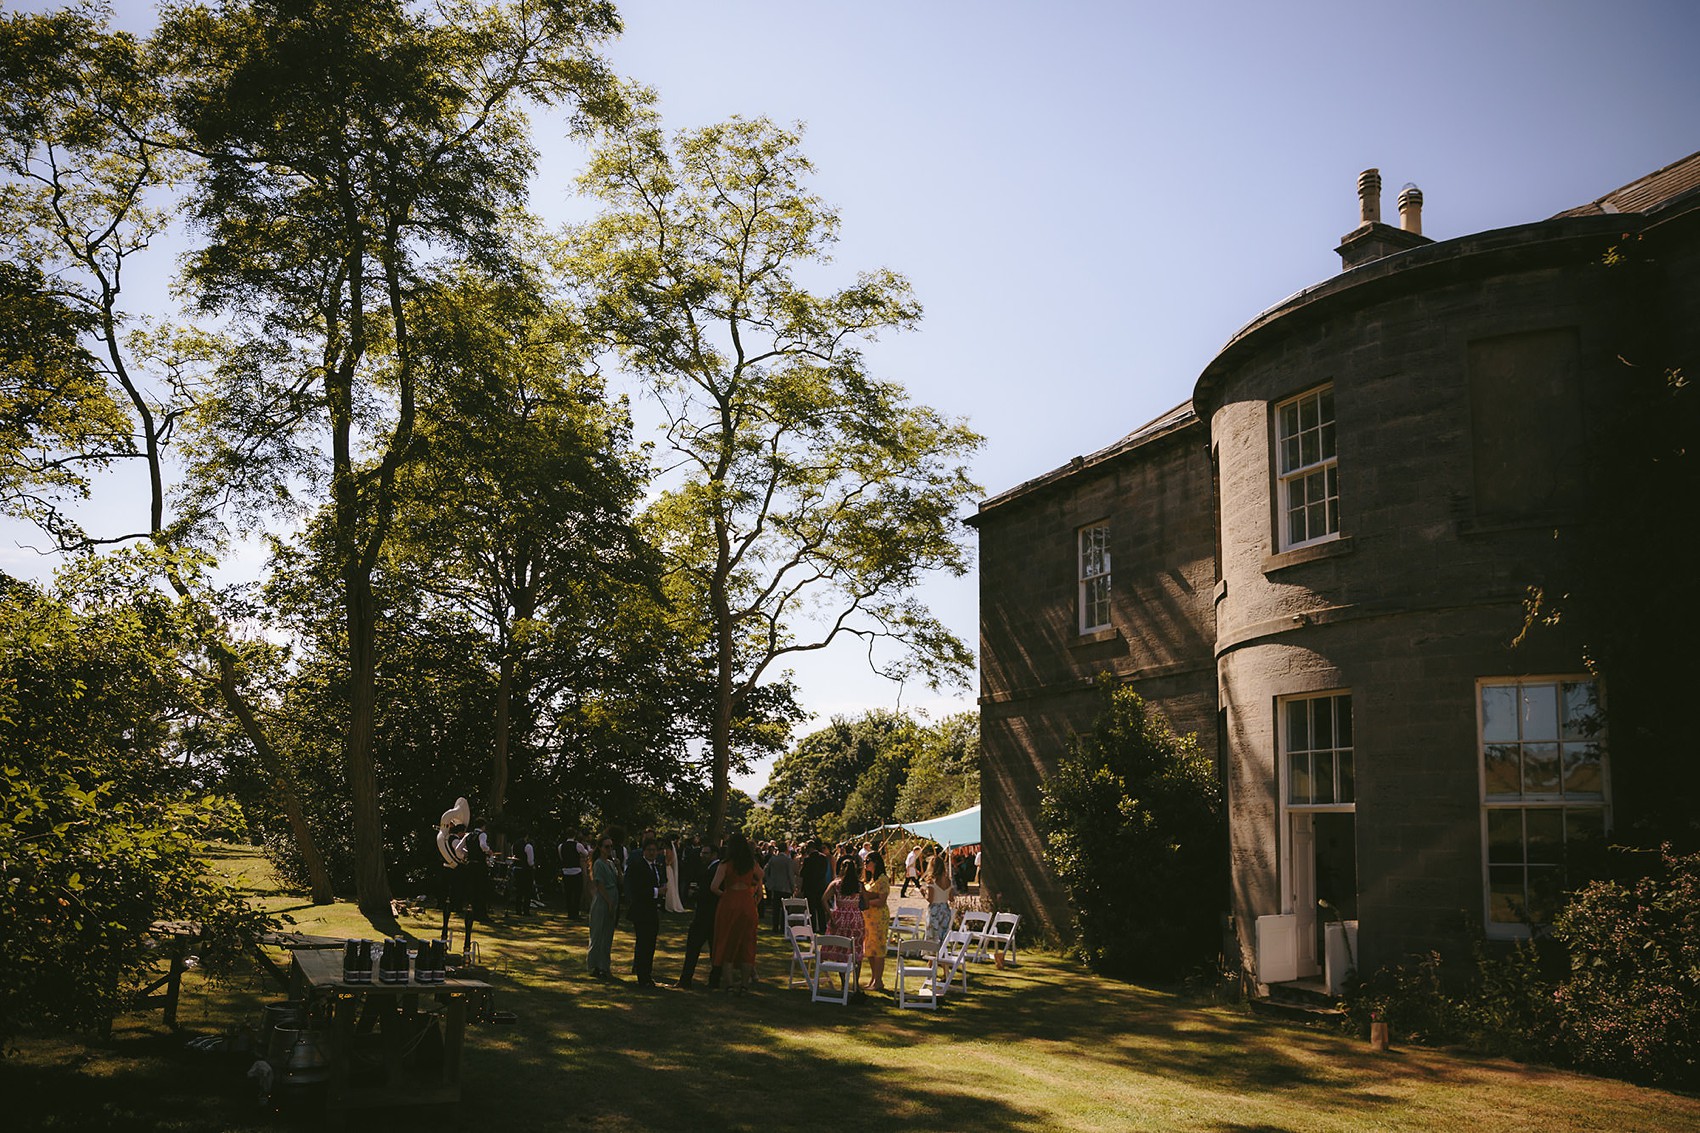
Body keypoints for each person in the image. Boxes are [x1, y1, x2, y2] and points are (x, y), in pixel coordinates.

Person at [711, 832, 764, 994]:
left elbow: (713, 887)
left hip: (730, 902)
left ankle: (729, 984)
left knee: (727, 941)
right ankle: (744, 985)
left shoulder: (725, 864)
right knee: (748, 942)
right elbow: (761, 876)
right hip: (747, 902)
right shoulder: (751, 863)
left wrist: (725, 895)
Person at [679, 841, 723, 990]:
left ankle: (686, 980)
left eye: (705, 853)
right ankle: (714, 981)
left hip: (705, 915)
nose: (702, 856)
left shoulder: (715, 869)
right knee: (713, 949)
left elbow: (708, 893)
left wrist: (695, 894)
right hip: (712, 915)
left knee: (693, 947)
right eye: (701, 853)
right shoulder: (712, 868)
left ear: (714, 854)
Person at [822, 856, 867, 991]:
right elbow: (867, 903)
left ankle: (843, 984)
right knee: (857, 951)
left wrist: (831, 915)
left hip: (839, 919)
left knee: (842, 951)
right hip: (856, 919)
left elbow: (823, 899)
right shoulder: (859, 885)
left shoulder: (836, 884)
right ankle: (856, 984)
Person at [628, 836, 666, 986]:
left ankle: (647, 974)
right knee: (643, 943)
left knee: (650, 943)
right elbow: (637, 890)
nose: (652, 853)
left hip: (652, 910)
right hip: (641, 911)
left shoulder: (655, 866)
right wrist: (658, 892)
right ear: (643, 851)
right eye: (649, 850)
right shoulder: (637, 866)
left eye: (654, 850)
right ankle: (642, 976)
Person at [587, 835, 619, 978]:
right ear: (600, 848)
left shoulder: (611, 864)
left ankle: (604, 966)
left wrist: (618, 866)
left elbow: (620, 879)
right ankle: (594, 966)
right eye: (607, 846)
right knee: (598, 934)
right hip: (603, 900)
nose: (610, 849)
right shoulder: (599, 864)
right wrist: (609, 902)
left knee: (608, 934)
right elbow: (599, 885)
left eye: (611, 846)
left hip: (613, 897)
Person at [860, 850, 892, 992]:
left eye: (868, 861)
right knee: (870, 949)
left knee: (878, 949)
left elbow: (881, 900)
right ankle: (873, 979)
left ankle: (878, 981)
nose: (865, 864)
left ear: (876, 862)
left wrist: (866, 901)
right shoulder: (869, 880)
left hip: (879, 918)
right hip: (868, 919)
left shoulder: (883, 879)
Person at [762, 841, 797, 933]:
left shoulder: (773, 859)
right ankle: (783, 927)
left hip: (776, 886)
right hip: (786, 887)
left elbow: (765, 871)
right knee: (785, 909)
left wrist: (769, 881)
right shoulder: (788, 861)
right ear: (786, 850)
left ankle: (775, 926)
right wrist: (793, 887)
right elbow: (790, 875)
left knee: (776, 908)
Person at [800, 840, 832, 933]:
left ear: (809, 848)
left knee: (811, 910)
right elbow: (824, 872)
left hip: (810, 887)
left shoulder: (807, 859)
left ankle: (812, 928)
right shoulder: (823, 858)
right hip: (820, 886)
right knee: (820, 909)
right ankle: (823, 928)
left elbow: (802, 873)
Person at [925, 849, 955, 941]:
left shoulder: (931, 881)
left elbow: (930, 899)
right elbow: (951, 899)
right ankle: (942, 952)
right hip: (945, 909)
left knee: (933, 935)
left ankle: (931, 953)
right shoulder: (948, 881)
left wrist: (923, 893)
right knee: (943, 935)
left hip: (935, 909)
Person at [559, 828, 587, 920]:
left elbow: (561, 857)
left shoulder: (561, 846)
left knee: (568, 893)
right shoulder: (578, 845)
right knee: (577, 893)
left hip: (566, 871)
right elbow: (585, 853)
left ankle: (570, 913)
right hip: (576, 871)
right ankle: (576, 913)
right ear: (575, 835)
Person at [511, 830, 537, 915]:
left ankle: (518, 910)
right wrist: (533, 866)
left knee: (519, 890)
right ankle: (526, 910)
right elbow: (530, 861)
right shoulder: (528, 846)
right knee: (527, 891)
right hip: (525, 870)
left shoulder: (514, 845)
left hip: (517, 869)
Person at [664, 835, 688, 914]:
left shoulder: (668, 850)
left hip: (667, 869)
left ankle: (669, 904)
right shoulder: (671, 849)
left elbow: (668, 861)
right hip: (669, 869)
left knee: (669, 886)